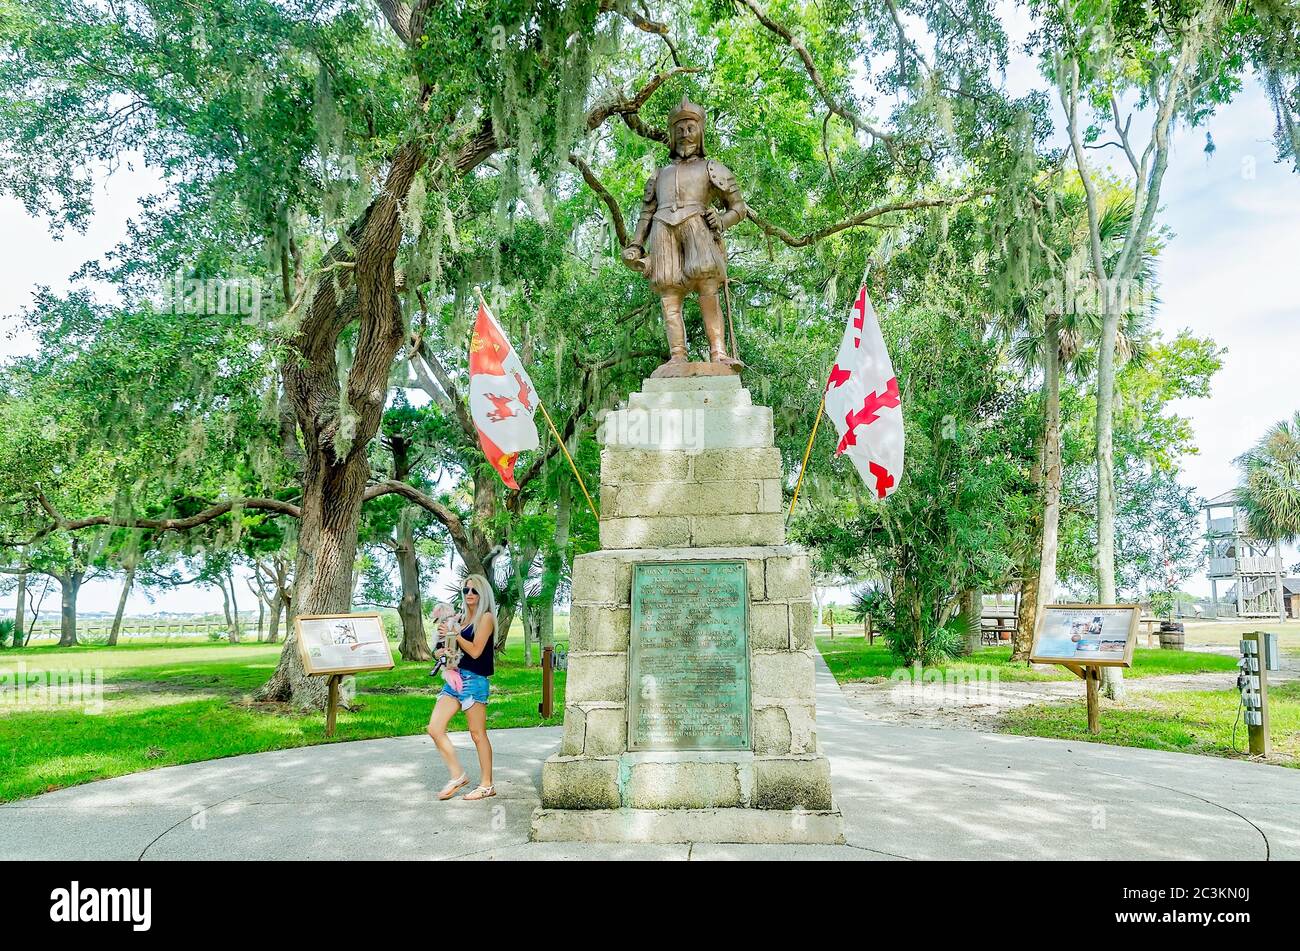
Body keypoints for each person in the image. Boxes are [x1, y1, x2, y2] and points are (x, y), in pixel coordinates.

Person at [426, 574, 496, 801]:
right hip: (454, 677)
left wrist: (455, 634)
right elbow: (443, 648)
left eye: (474, 591)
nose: (469, 595)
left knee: (477, 734)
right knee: (434, 728)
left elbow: (475, 651)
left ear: (483, 594)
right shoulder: (460, 619)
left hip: (474, 680)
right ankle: (458, 776)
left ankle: (487, 785)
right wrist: (442, 651)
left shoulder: (485, 618)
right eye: (466, 591)